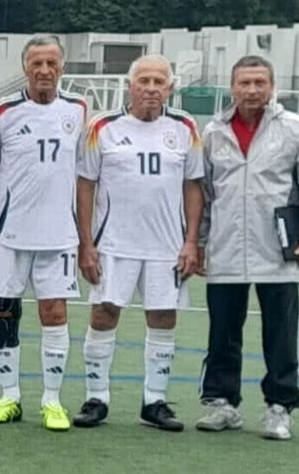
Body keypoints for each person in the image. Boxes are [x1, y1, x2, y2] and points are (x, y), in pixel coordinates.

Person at [195, 55, 299, 440]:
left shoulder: (294, 128)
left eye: (259, 82)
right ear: (232, 87)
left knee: (281, 333)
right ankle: (221, 403)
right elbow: (204, 193)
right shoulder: (213, 132)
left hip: (278, 249)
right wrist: (199, 242)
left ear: (272, 86)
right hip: (225, 248)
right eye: (244, 83)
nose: (252, 90)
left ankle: (279, 407)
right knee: (222, 331)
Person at [72, 55, 203, 432]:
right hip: (113, 243)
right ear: (130, 86)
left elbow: (193, 186)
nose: (150, 88)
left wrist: (191, 242)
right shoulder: (103, 127)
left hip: (166, 246)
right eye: (143, 80)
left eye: (158, 81)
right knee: (103, 314)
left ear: (170, 88)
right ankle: (97, 397)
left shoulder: (185, 128)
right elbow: (85, 185)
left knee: (163, 317)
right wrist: (87, 243)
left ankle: (155, 400)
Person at [0, 35, 87, 431]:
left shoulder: (78, 109)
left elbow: (83, 168)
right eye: (37, 63)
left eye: (51, 63)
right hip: (8, 231)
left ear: (62, 68)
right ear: (25, 67)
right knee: (4, 312)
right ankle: (9, 396)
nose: (44, 71)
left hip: (59, 234)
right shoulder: (3, 110)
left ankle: (52, 400)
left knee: (54, 313)